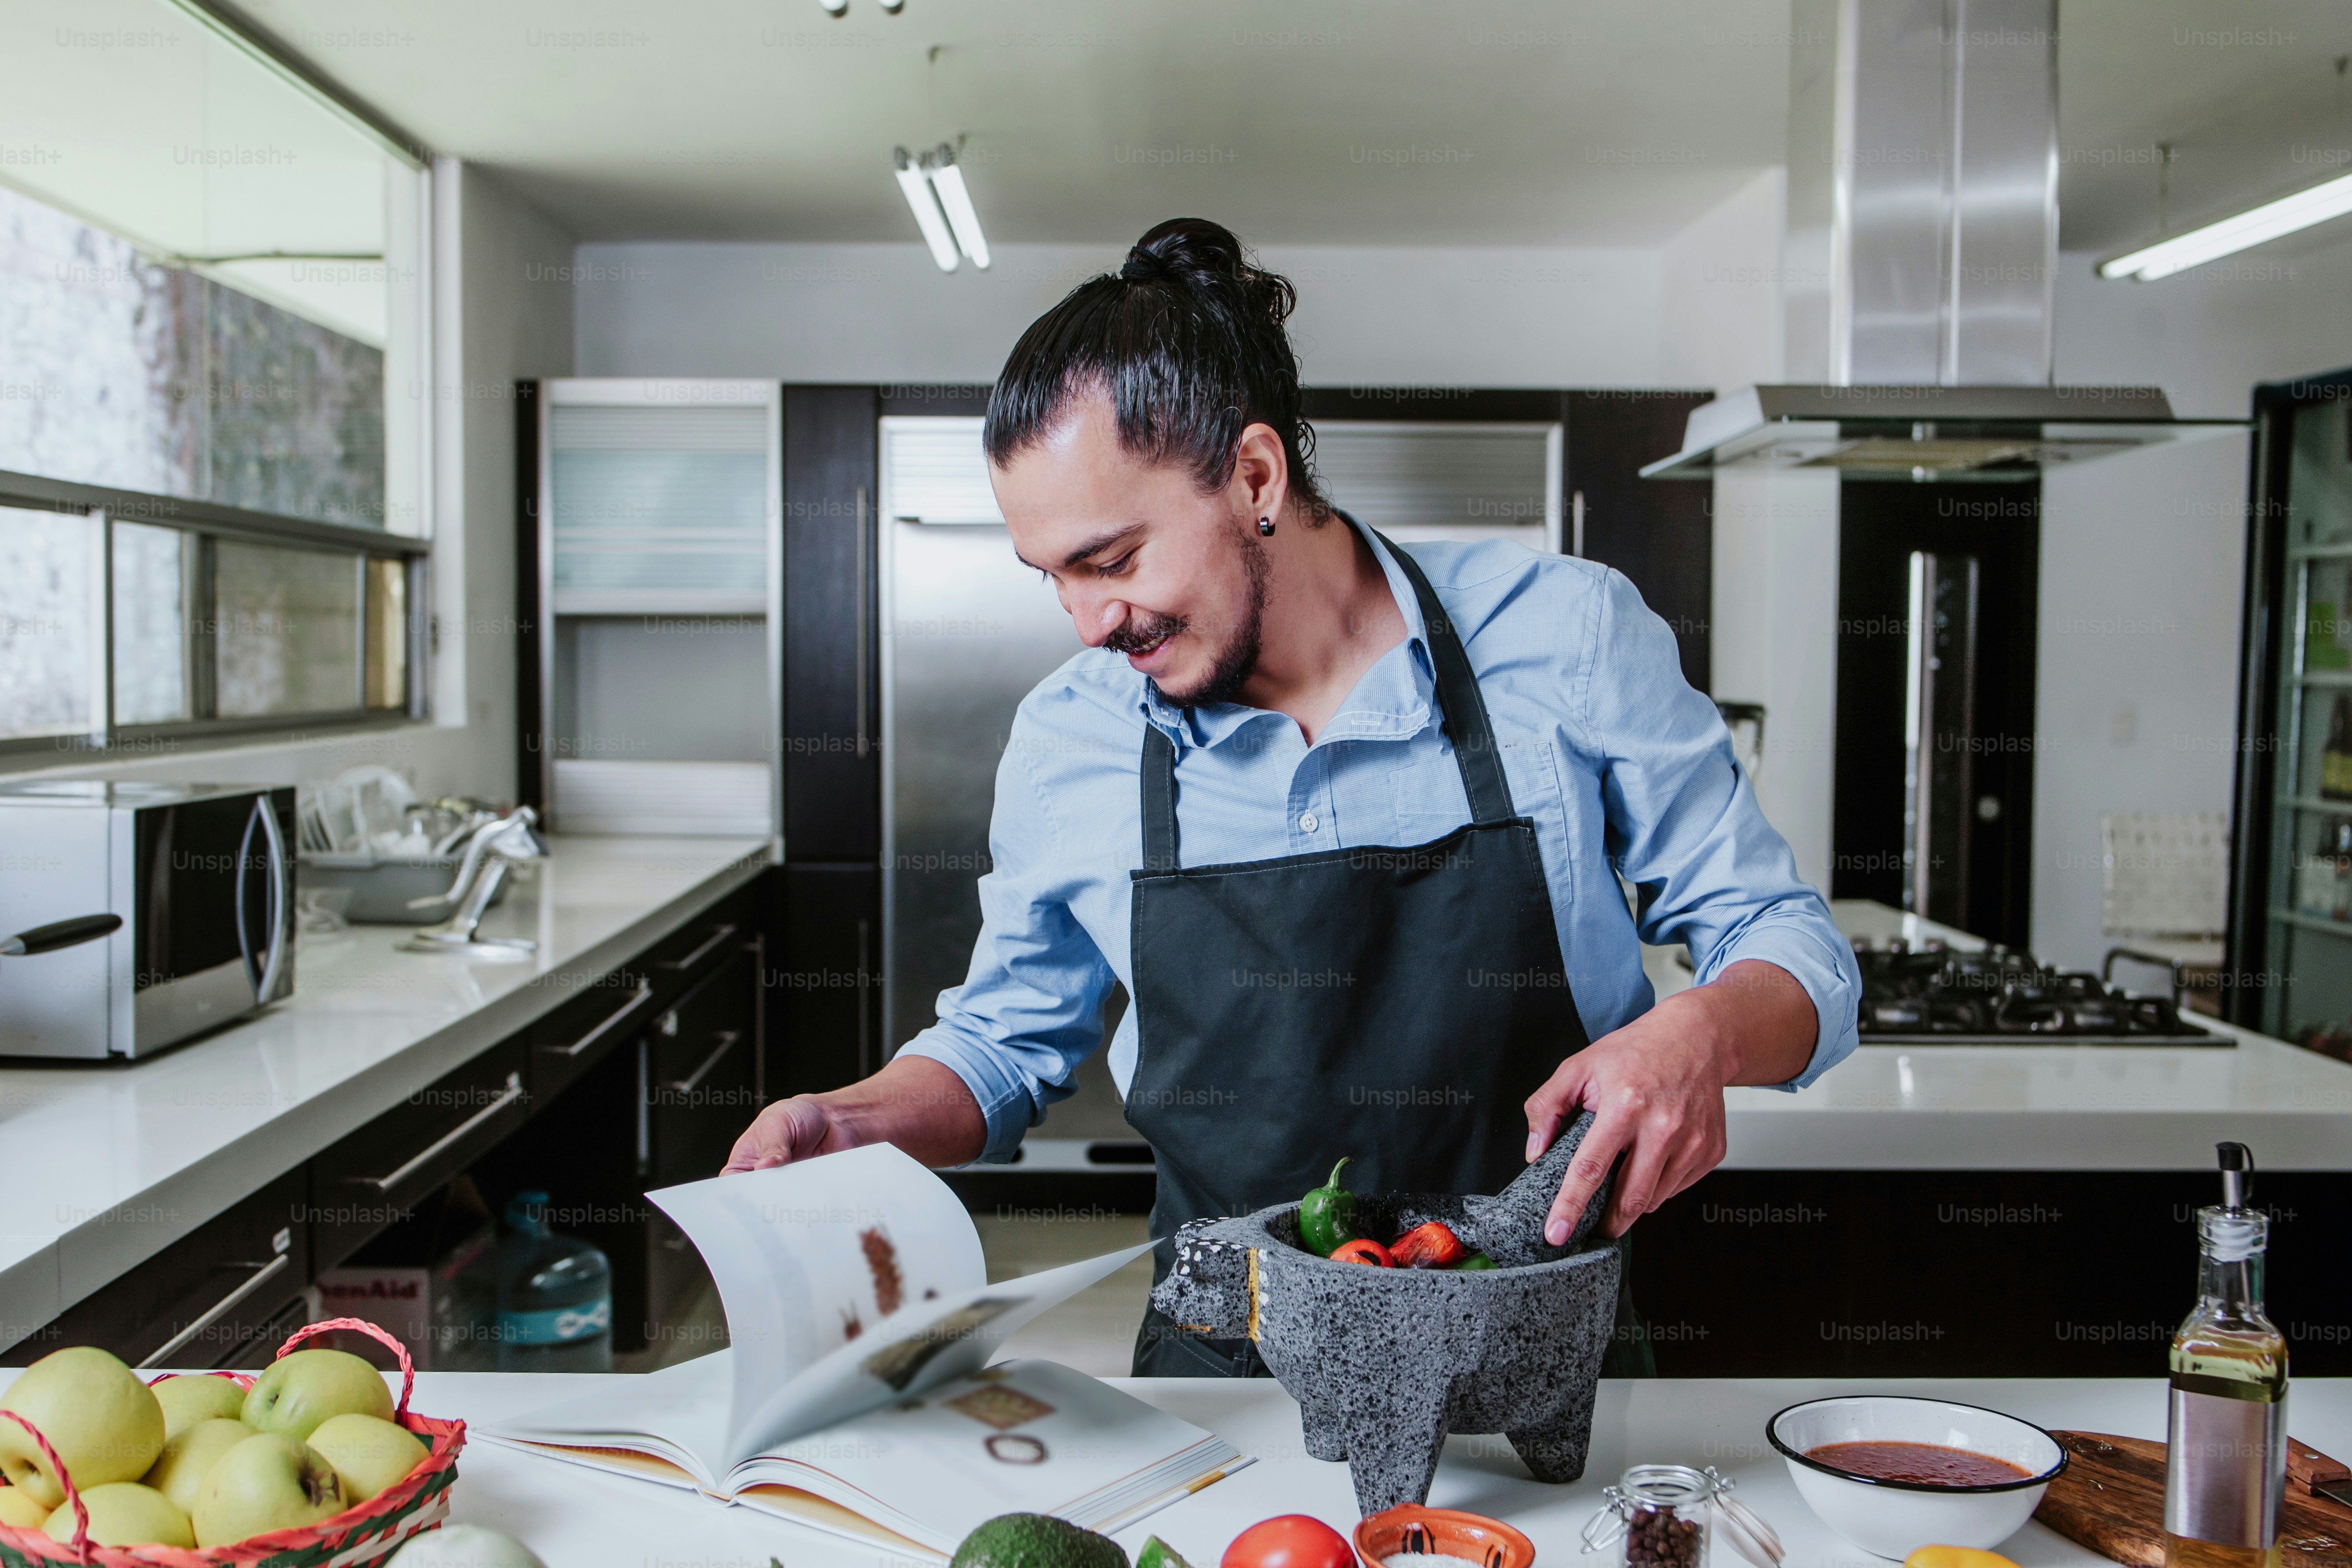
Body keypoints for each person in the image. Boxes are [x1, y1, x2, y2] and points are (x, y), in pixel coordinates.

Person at [727, 216, 1860, 1377]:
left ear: (1254, 476)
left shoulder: (1564, 633)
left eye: (1112, 561)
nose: (1086, 624)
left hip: (1540, 1363)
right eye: (1052, 578)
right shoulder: (1074, 737)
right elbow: (1000, 1045)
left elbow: (1790, 948)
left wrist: (1698, 1032)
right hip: (1227, 1373)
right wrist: (854, 1124)